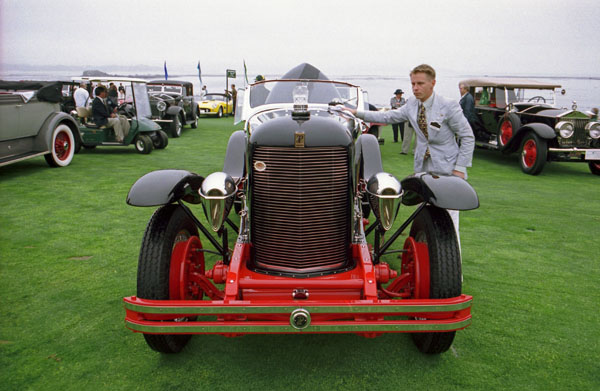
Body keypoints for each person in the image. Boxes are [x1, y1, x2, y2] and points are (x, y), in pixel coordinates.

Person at [344, 64, 474, 246]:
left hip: (448, 171)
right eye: (413, 83)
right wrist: (356, 113)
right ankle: (431, 259)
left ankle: (452, 270)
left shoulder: (449, 105)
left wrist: (459, 169)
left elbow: (467, 137)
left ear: (433, 83)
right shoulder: (412, 104)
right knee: (428, 217)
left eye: (420, 83)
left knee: (449, 224)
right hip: (423, 170)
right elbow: (388, 117)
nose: (415, 88)